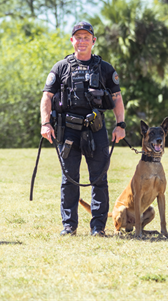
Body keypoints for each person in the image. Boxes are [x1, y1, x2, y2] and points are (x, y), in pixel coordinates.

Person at [40, 21, 125, 237]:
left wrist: (120, 125)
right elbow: (46, 97)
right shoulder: (61, 67)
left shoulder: (105, 68)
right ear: (72, 41)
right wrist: (45, 123)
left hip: (96, 130)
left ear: (93, 41)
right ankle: (69, 226)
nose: (82, 41)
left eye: (86, 37)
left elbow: (116, 98)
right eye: (78, 37)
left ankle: (98, 227)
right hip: (67, 132)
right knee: (69, 179)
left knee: (99, 179)